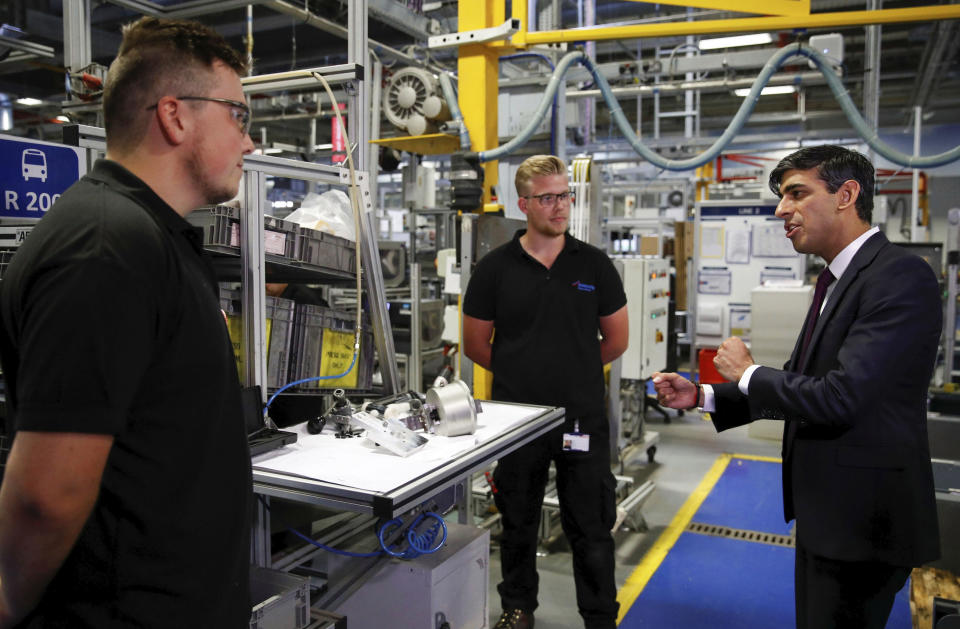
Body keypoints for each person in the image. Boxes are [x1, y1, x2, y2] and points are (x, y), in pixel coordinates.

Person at [0, 16, 256, 628]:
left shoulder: (150, 238)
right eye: (239, 116)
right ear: (175, 116)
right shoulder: (104, 248)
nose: (250, 142)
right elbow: (46, 497)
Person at [653, 145, 940, 629]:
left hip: (863, 523)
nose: (781, 209)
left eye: (797, 194)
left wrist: (746, 372)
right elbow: (801, 381)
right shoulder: (836, 279)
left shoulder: (897, 277)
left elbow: (840, 397)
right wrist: (702, 395)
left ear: (847, 195)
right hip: (829, 516)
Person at [462, 155, 629, 629]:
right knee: (517, 521)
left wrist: (571, 369)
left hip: (582, 418)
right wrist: (523, 372)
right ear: (524, 204)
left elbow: (617, 340)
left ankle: (600, 617)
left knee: (592, 526)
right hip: (516, 420)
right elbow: (476, 344)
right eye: (548, 197)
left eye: (565, 196)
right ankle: (518, 609)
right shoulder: (495, 269)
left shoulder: (594, 264)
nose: (560, 207)